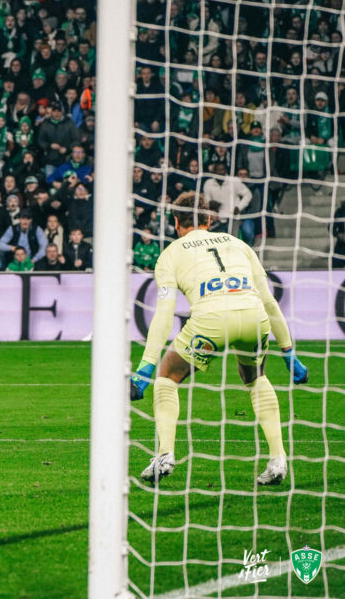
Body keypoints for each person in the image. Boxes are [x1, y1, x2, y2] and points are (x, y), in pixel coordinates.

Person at [131, 192, 308, 486]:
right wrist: (289, 352)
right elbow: (269, 301)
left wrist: (145, 366)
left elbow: (164, 313)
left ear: (176, 222)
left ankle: (165, 455)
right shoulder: (238, 244)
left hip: (211, 322)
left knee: (167, 376)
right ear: (210, 219)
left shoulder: (171, 254)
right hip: (253, 316)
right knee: (255, 378)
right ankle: (278, 459)